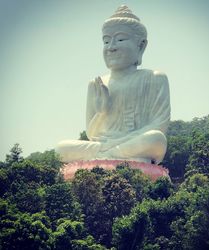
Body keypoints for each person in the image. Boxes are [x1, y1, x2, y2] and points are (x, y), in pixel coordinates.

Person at [56, 5, 171, 164]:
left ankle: (105, 156)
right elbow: (91, 133)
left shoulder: (154, 78)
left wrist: (116, 143)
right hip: (107, 145)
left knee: (156, 139)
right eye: (106, 41)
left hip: (133, 144)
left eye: (120, 39)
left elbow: (159, 125)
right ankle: (112, 155)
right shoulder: (96, 84)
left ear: (141, 46)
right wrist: (101, 113)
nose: (111, 47)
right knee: (61, 149)